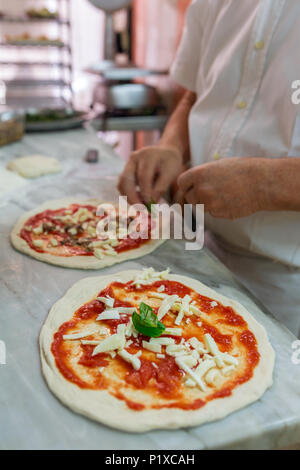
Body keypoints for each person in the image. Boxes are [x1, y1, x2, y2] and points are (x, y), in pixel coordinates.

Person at [118, 0, 300, 337]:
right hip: (202, 251)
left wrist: (267, 184)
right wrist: (171, 146)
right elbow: (197, 95)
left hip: (290, 287)